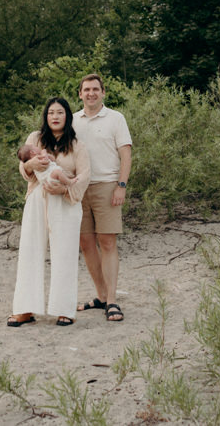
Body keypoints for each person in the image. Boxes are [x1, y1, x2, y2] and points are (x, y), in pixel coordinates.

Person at [8, 97, 90, 327]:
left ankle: (64, 310)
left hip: (65, 203)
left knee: (64, 254)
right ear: (46, 116)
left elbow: (84, 175)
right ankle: (25, 309)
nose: (55, 116)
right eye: (51, 112)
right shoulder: (35, 138)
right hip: (37, 199)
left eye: (60, 112)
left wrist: (65, 188)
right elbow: (23, 167)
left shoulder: (77, 145)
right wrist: (31, 166)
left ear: (67, 116)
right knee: (30, 251)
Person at [72, 74, 132, 322]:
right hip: (79, 189)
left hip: (107, 186)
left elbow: (126, 155)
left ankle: (113, 301)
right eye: (86, 90)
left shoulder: (116, 119)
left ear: (103, 92)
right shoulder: (73, 120)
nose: (91, 93)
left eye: (95, 89)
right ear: (80, 94)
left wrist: (121, 186)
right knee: (86, 244)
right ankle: (101, 296)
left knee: (107, 243)